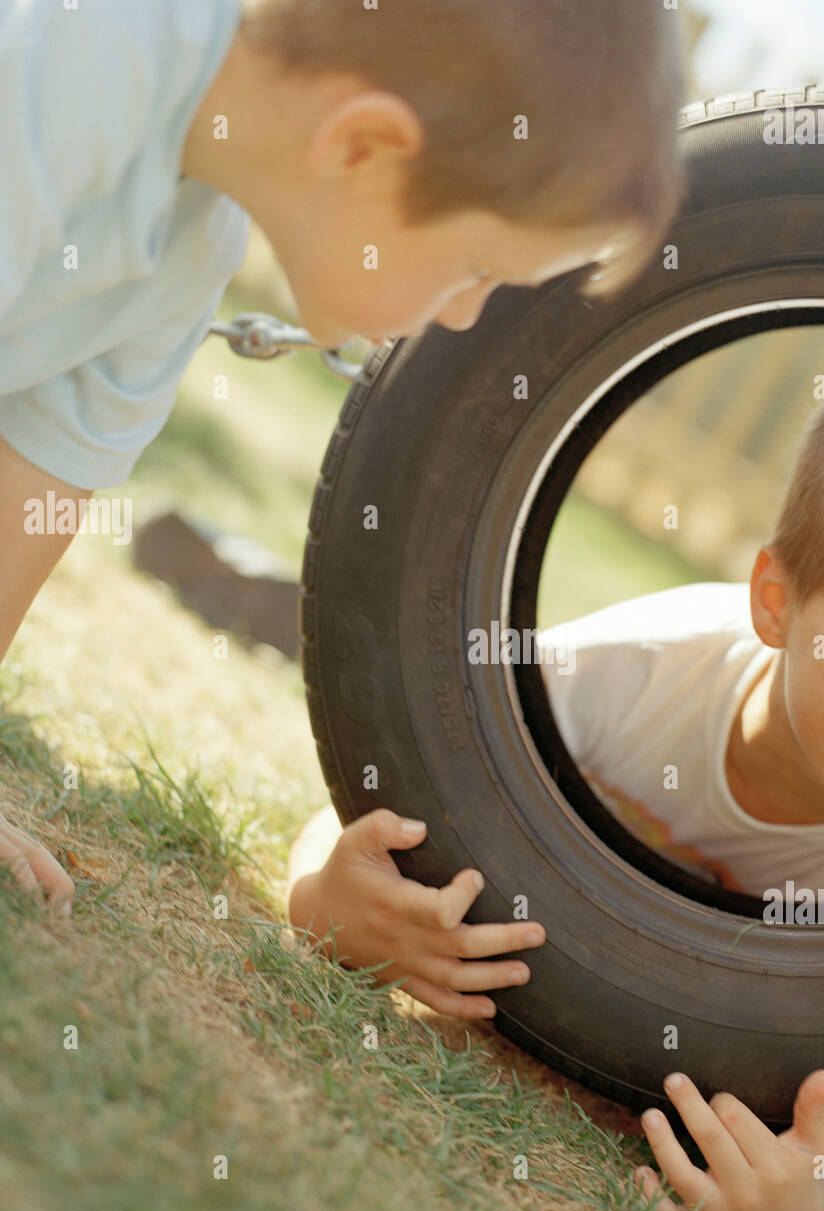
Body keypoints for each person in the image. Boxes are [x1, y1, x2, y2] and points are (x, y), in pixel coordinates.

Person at [285, 355, 824, 1211]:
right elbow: (394, 797)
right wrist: (324, 897)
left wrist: (804, 1197)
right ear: (777, 602)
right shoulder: (642, 668)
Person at [0, 0, 685, 896]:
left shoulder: (190, 247)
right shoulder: (69, 58)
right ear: (362, 146)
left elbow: (37, 479)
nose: (463, 313)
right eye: (476, 268)